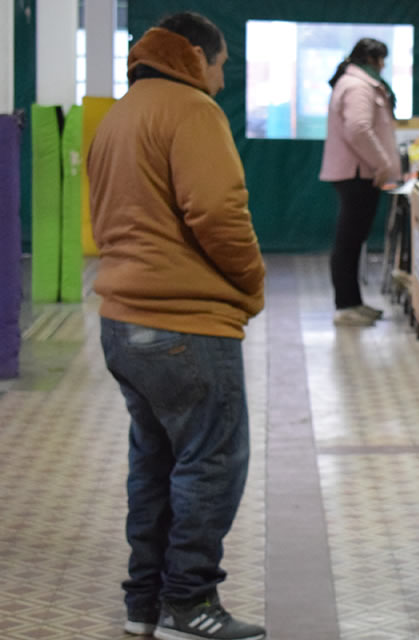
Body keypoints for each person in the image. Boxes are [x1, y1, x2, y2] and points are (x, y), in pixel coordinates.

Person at [87, 12, 266, 640]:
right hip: (185, 324)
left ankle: (145, 603)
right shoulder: (191, 110)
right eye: (220, 67)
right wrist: (251, 280)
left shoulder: (120, 112)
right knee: (211, 463)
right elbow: (217, 209)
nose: (220, 82)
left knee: (155, 463)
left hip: (122, 321)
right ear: (196, 56)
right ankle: (191, 603)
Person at [319, 37, 400, 326]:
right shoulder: (357, 86)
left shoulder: (357, 83)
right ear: (374, 61)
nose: (384, 67)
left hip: (361, 173)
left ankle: (353, 302)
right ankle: (345, 306)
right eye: (382, 61)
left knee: (354, 241)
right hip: (358, 173)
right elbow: (358, 129)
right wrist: (383, 163)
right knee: (348, 241)